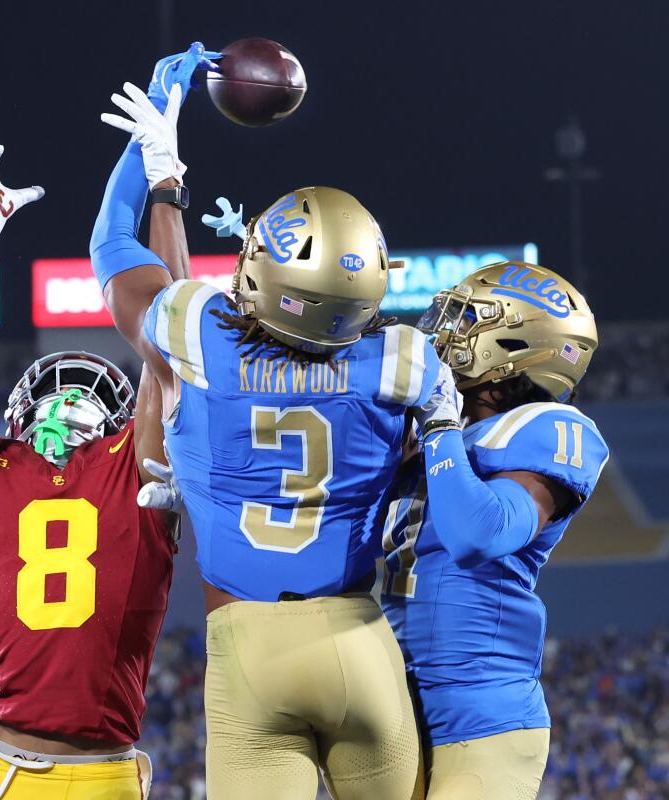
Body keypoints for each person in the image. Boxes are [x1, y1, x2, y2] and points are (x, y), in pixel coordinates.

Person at [89, 67, 443, 800]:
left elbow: (114, 252)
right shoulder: (403, 362)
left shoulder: (200, 343)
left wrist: (160, 171)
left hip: (249, 651)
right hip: (361, 642)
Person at [0, 87, 191, 799]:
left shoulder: (0, 477)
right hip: (58, 770)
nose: (70, 405)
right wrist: (165, 188)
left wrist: (165, 184)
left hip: (42, 772)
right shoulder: (114, 465)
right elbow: (177, 342)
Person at [380, 261, 609, 800]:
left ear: (511, 345)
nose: (442, 329)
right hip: (389, 707)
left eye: (465, 320)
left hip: (481, 713)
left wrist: (439, 426)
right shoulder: (429, 428)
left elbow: (480, 532)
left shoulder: (550, 428)